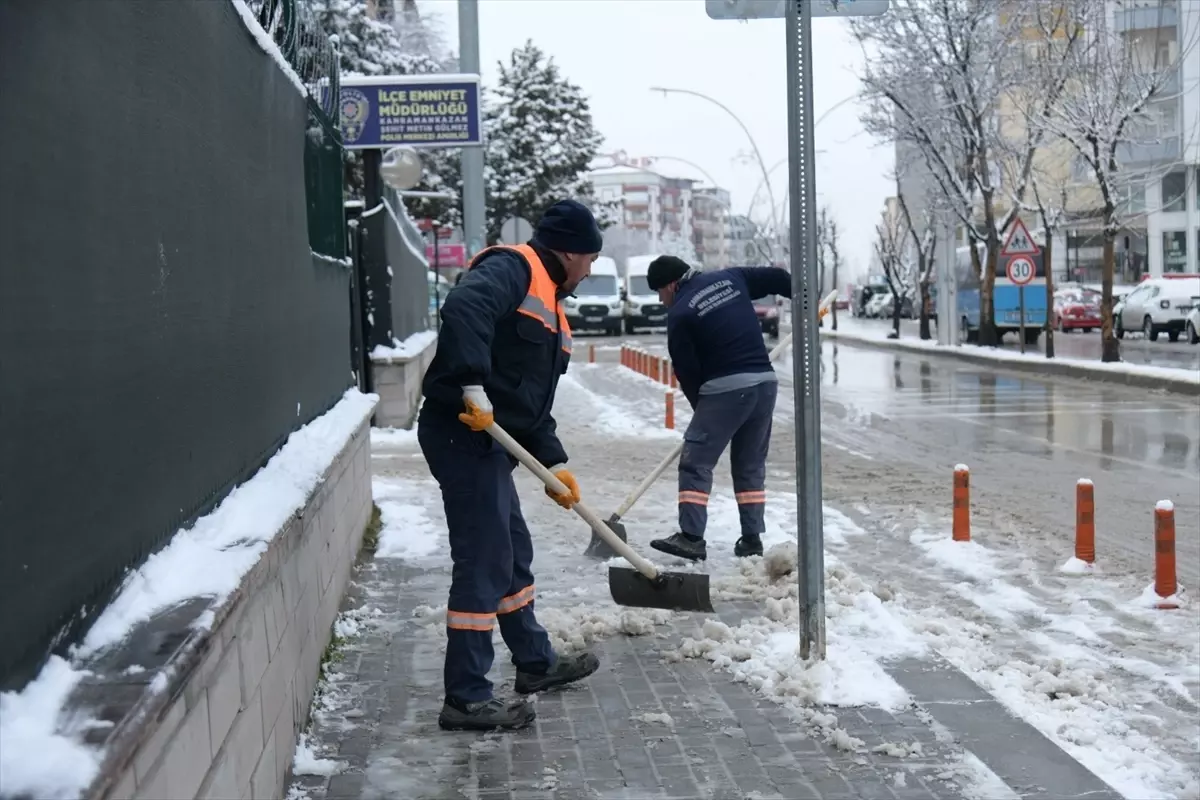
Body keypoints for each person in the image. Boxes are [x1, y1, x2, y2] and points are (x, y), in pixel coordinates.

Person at [417, 200, 603, 732]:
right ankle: (467, 697)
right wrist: (471, 383)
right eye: (589, 258)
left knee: (512, 551)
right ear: (567, 251)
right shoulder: (513, 267)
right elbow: (464, 309)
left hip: (491, 438)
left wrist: (556, 464)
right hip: (462, 430)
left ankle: (535, 662)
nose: (589, 270)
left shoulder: (551, 304)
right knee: (485, 557)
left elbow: (527, 404)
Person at [643, 255, 792, 562]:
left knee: (695, 463)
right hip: (764, 383)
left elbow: (686, 371)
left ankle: (691, 537)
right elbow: (777, 278)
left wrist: (704, 411)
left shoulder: (681, 312)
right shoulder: (732, 277)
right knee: (749, 464)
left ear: (671, 285)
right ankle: (751, 539)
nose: (661, 301)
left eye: (660, 293)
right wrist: (804, 297)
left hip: (725, 389)